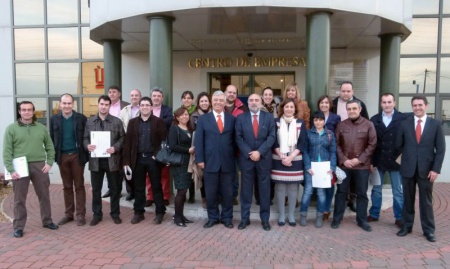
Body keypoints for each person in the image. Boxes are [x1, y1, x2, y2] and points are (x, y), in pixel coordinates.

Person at [3, 101, 58, 238]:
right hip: (19, 166)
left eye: (29, 110)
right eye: (23, 110)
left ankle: (47, 221)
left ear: (33, 111)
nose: (26, 112)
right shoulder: (11, 129)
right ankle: (18, 227)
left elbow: (50, 146)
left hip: (39, 165)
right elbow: (6, 151)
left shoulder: (41, 128)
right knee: (19, 198)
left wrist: (49, 162)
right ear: (19, 112)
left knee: (44, 195)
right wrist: (10, 169)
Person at [396, 95, 445, 242]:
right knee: (407, 199)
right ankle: (406, 226)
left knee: (426, 201)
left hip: (427, 169)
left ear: (426, 106)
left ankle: (429, 230)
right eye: (414, 105)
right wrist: (404, 161)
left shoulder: (435, 124)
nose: (417, 108)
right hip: (408, 168)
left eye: (420, 105)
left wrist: (435, 169)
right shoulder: (405, 124)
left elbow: (441, 149)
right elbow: (399, 145)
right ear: (412, 107)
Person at [331, 100, 376, 232]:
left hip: (362, 166)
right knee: (341, 193)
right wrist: (344, 160)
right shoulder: (341, 125)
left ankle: (362, 220)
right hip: (345, 166)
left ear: (360, 109)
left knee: (361, 194)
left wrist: (359, 159)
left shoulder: (369, 125)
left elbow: (372, 144)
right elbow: (336, 144)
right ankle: (337, 219)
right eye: (349, 109)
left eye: (354, 108)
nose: (351, 111)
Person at [122, 97, 167, 225]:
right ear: (139, 107)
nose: (145, 107)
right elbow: (127, 143)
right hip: (137, 159)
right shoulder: (132, 123)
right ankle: (139, 212)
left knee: (156, 187)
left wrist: (157, 156)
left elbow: (164, 141)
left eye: (147, 105)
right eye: (142, 105)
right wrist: (126, 162)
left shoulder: (159, 122)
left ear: (152, 107)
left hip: (153, 159)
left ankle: (160, 213)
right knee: (139, 188)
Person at [195, 90, 236, 229]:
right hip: (209, 162)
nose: (218, 102)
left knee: (228, 193)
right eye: (215, 100)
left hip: (228, 162)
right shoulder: (203, 119)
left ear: (224, 102)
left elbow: (235, 141)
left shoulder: (232, 119)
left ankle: (227, 218)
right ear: (212, 102)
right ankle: (212, 218)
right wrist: (200, 159)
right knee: (211, 193)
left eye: (220, 100)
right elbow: (199, 142)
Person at [235, 93, 276, 231]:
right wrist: (250, 153)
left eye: (256, 100)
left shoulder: (269, 117)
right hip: (247, 160)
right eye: (251, 100)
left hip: (263, 159)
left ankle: (265, 220)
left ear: (261, 102)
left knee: (264, 191)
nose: (253, 102)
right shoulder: (241, 118)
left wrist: (259, 152)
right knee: (246, 191)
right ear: (248, 103)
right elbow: (238, 138)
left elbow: (271, 137)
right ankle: (244, 219)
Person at [83, 95, 125, 226]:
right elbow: (84, 138)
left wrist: (115, 148)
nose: (104, 106)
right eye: (102, 104)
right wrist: (87, 146)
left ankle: (115, 214)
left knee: (114, 189)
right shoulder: (90, 122)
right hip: (96, 161)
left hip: (112, 161)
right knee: (96, 189)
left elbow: (123, 138)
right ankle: (97, 215)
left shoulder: (116, 122)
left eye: (106, 104)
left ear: (109, 106)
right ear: (98, 104)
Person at [49, 93, 89, 226]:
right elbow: (51, 138)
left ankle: (80, 215)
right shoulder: (54, 119)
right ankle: (68, 214)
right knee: (67, 187)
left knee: (79, 186)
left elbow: (86, 136)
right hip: (62, 156)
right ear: (60, 104)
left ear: (73, 104)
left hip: (77, 156)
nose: (66, 106)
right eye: (64, 103)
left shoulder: (81, 118)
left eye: (69, 103)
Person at [368, 93, 406, 228]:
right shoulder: (374, 119)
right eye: (384, 102)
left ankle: (399, 217)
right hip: (378, 161)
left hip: (396, 162)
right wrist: (371, 161)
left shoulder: (403, 118)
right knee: (376, 189)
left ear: (394, 103)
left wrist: (402, 159)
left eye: (389, 102)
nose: (387, 105)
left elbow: (406, 141)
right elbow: (371, 142)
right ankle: (374, 214)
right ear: (381, 104)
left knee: (397, 191)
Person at [331, 81, 369, 212]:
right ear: (339, 91)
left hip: (357, 147)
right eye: (343, 91)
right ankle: (342, 202)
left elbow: (366, 124)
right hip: (340, 144)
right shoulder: (333, 103)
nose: (346, 93)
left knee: (354, 180)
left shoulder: (359, 104)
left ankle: (352, 199)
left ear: (352, 92)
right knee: (341, 176)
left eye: (348, 91)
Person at [271, 98, 307, 227]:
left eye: (291, 107)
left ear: (295, 109)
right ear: (282, 108)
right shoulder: (275, 122)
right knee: (280, 187)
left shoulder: (300, 123)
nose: (289, 109)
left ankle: (291, 215)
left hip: (295, 159)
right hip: (278, 158)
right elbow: (273, 140)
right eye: (287, 107)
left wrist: (290, 157)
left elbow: (302, 142)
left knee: (293, 188)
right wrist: (282, 156)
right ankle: (281, 214)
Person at [300, 111, 336, 228]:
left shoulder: (330, 134)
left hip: (324, 168)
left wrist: (332, 167)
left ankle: (319, 216)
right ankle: (303, 215)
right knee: (308, 192)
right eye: (315, 120)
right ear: (313, 121)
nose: (318, 122)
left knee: (321, 193)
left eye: (320, 120)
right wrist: (307, 167)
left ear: (324, 120)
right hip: (311, 167)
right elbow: (305, 151)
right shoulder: (308, 134)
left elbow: (333, 151)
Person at [168, 107, 195, 227]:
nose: (184, 116)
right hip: (179, 163)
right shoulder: (174, 128)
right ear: (177, 117)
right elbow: (172, 146)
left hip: (188, 163)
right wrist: (188, 150)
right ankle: (177, 217)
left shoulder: (190, 129)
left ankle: (181, 215)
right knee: (181, 190)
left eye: (186, 114)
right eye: (181, 115)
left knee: (184, 190)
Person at [147, 87, 173, 206]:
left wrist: (153, 122)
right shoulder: (145, 108)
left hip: (163, 144)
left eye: (158, 96)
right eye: (154, 96)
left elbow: (168, 122)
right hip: (148, 144)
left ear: (162, 98)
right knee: (149, 172)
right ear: (151, 97)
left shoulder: (168, 110)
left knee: (164, 172)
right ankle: (150, 196)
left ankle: (165, 195)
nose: (156, 98)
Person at [316, 95, 341, 221]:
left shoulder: (336, 118)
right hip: (318, 154)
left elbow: (338, 134)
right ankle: (320, 208)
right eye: (322, 102)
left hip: (330, 152)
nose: (324, 105)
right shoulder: (315, 116)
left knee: (330, 184)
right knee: (320, 183)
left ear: (330, 104)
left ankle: (326, 209)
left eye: (326, 102)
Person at [102, 85, 129, 199]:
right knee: (110, 167)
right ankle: (112, 189)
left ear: (119, 94)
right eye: (110, 92)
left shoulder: (126, 106)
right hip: (108, 141)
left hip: (123, 139)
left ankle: (129, 191)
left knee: (124, 166)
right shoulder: (104, 106)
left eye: (114, 92)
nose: (111, 94)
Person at [224, 84, 249, 206]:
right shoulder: (219, 106)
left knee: (238, 174)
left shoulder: (243, 108)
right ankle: (224, 195)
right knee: (227, 173)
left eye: (234, 93)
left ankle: (234, 196)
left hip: (239, 148)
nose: (231, 94)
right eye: (229, 92)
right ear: (225, 93)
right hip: (224, 147)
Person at [255, 87, 278, 205]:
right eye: (266, 94)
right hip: (260, 146)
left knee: (270, 173)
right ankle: (259, 198)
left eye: (270, 94)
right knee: (258, 173)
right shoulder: (257, 108)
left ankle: (269, 197)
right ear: (262, 96)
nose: (268, 96)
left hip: (274, 144)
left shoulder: (277, 109)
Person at [119, 89, 142, 201]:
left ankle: (138, 191)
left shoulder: (144, 108)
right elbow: (120, 124)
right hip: (126, 141)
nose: (134, 97)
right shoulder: (124, 110)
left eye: (136, 95)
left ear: (140, 96)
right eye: (132, 95)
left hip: (139, 142)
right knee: (127, 167)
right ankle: (130, 191)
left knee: (137, 168)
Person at [189, 92, 211, 208]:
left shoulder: (215, 114)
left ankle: (214, 196)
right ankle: (205, 198)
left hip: (212, 149)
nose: (204, 103)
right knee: (202, 174)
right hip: (200, 148)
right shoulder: (194, 116)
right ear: (198, 103)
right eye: (202, 101)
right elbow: (192, 132)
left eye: (206, 101)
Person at [179, 90, 196, 204]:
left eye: (189, 98)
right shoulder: (178, 111)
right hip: (182, 145)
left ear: (192, 100)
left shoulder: (196, 111)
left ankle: (192, 195)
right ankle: (183, 194)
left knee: (193, 170)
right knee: (184, 172)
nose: (187, 100)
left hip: (193, 143)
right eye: (184, 98)